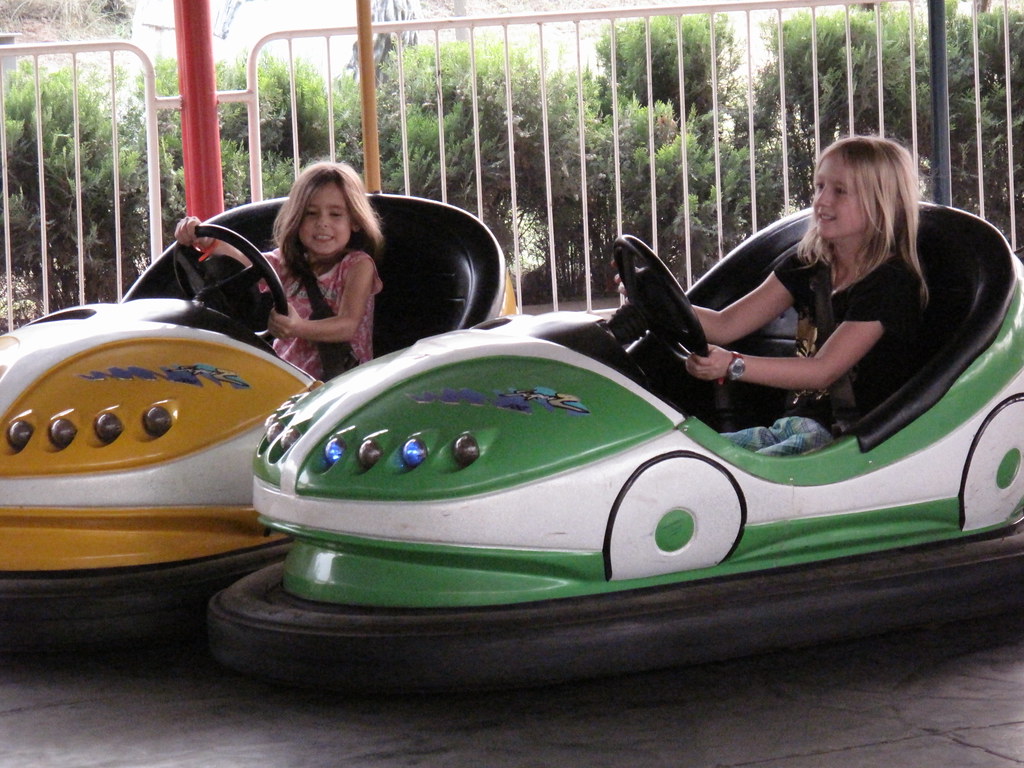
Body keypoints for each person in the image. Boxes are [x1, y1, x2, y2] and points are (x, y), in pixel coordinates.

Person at [683, 135, 928, 455]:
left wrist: (732, 365)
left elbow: (822, 371)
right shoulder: (810, 265)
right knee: (688, 456)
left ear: (879, 201)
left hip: (852, 442)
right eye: (819, 186)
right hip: (794, 426)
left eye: (839, 191)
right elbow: (725, 324)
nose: (822, 201)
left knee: (727, 480)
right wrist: (654, 300)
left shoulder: (890, 283)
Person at [176, 161, 384, 380]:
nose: (322, 223)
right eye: (311, 214)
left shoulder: (357, 266)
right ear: (297, 219)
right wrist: (207, 240)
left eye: (335, 214)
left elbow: (348, 325)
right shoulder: (285, 263)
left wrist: (298, 327)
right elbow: (242, 261)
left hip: (339, 385)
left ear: (355, 221)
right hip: (287, 381)